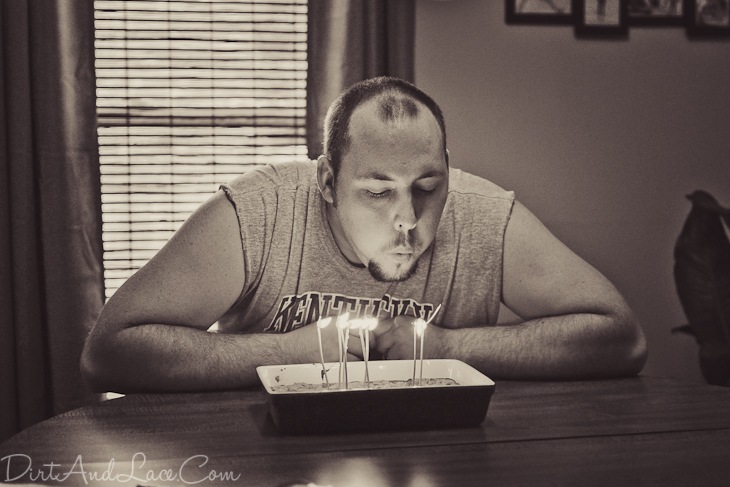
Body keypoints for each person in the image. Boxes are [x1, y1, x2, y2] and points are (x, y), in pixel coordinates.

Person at [81, 77, 647, 393]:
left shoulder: (481, 213)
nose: (408, 218)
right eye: (377, 192)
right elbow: (109, 352)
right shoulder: (258, 212)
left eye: (428, 186)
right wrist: (289, 353)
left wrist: (447, 349)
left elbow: (621, 338)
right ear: (328, 182)